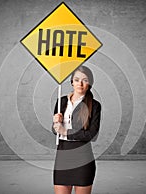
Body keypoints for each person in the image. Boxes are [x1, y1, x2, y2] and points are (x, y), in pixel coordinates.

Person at [52, 66, 101, 194]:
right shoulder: (61, 101)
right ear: (72, 82)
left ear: (89, 83)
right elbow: (56, 131)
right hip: (62, 156)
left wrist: (65, 132)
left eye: (84, 80)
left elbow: (92, 135)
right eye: (77, 79)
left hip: (83, 158)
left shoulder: (94, 105)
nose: (80, 83)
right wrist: (56, 124)